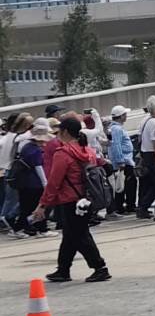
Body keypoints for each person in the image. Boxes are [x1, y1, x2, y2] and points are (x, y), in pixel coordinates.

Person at [35, 115, 110, 283]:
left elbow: (54, 182)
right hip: (86, 198)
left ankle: (100, 267)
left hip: (69, 199)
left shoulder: (63, 154)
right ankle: (63, 269)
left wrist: (43, 205)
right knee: (71, 235)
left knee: (79, 236)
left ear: (66, 132)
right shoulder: (87, 151)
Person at [11, 117, 48, 236]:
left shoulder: (26, 147)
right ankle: (38, 228)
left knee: (26, 207)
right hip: (34, 183)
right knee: (35, 206)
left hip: (24, 182)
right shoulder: (36, 151)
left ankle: (26, 228)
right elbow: (39, 168)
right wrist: (45, 184)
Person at [106, 106, 136, 216]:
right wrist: (120, 161)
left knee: (124, 184)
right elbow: (116, 145)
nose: (126, 116)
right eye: (125, 114)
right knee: (126, 184)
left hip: (125, 160)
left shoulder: (115, 128)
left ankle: (123, 205)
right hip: (124, 161)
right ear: (121, 116)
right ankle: (127, 206)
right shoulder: (117, 129)